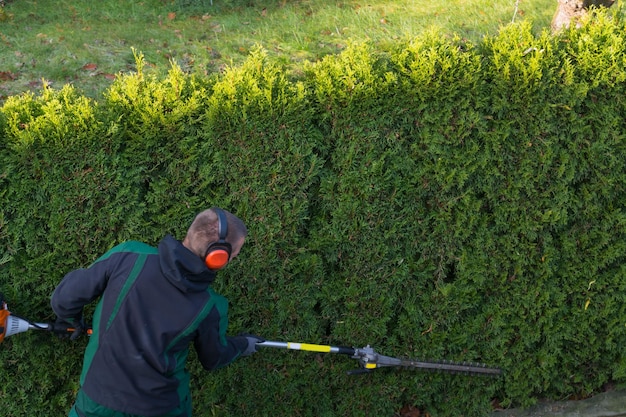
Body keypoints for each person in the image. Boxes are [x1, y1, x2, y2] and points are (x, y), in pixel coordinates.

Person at [51, 207, 263, 417]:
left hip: (97, 401)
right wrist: (243, 344)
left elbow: (64, 299)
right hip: (162, 408)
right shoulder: (211, 307)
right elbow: (213, 358)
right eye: (234, 253)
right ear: (218, 257)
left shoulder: (128, 255)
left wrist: (72, 322)